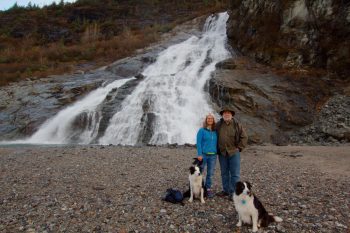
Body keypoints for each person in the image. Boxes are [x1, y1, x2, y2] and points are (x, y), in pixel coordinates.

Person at [216, 106, 248, 197]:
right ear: (222, 115)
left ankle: (234, 192)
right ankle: (226, 190)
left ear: (232, 115)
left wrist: (240, 148)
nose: (226, 114)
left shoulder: (237, 124)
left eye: (228, 113)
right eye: (224, 113)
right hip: (222, 152)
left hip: (234, 152)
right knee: (224, 173)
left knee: (235, 174)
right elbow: (212, 136)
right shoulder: (218, 125)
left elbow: (244, 137)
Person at [196, 113, 218, 198]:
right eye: (208, 118)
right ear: (206, 120)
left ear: (213, 120)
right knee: (199, 172)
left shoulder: (215, 131)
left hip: (213, 155)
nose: (209, 120)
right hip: (203, 155)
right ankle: (198, 188)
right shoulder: (202, 130)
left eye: (211, 118)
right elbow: (198, 143)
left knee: (210, 173)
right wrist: (199, 154)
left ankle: (207, 189)